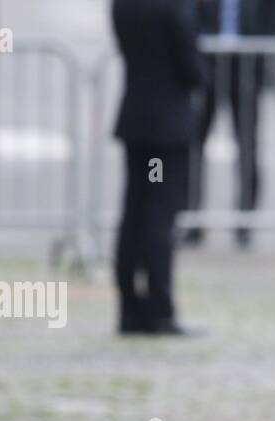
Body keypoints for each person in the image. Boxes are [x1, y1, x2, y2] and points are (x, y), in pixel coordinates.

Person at [112, 0, 205, 335]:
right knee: (158, 216)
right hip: (167, 125)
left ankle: (128, 307)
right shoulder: (174, 7)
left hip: (136, 118)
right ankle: (159, 308)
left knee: (134, 212)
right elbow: (191, 66)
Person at [184, 0, 275, 247]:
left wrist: (264, 45)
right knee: (193, 143)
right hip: (206, 62)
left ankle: (244, 220)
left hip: (246, 63)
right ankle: (192, 219)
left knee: (247, 143)